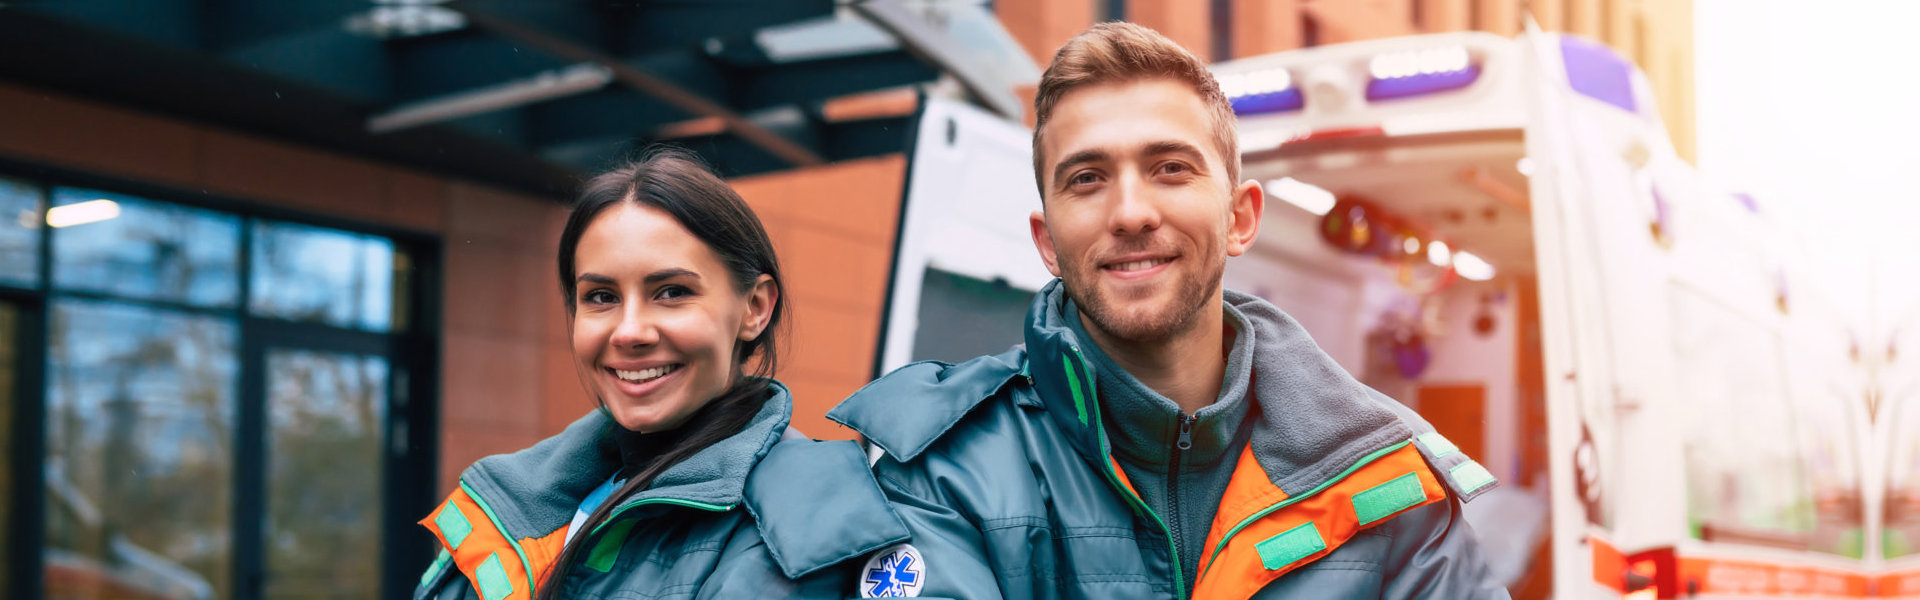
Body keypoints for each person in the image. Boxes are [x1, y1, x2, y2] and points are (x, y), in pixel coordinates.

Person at [830, 23, 1509, 599]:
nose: (1130, 213)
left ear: (1241, 218)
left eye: (1171, 168)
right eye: (1088, 179)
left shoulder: (1390, 480)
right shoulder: (944, 471)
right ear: (1047, 241)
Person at [415, 147, 909, 600]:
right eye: (601, 297)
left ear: (754, 308)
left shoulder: (803, 522)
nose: (629, 332)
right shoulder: (506, 501)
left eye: (671, 291)